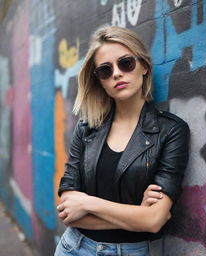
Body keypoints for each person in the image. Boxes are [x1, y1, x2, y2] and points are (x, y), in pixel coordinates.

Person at [55, 25, 190, 256]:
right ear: (100, 81)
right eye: (105, 70)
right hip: (73, 248)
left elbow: (154, 220)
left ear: (144, 66)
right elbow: (68, 211)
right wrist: (138, 214)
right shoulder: (87, 128)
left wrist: (87, 204)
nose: (117, 73)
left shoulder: (171, 131)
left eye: (126, 63)